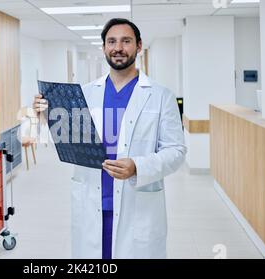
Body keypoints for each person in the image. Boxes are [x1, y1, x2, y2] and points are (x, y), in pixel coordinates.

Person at [33, 18, 186, 259]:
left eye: (126, 41)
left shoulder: (160, 96)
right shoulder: (85, 93)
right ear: (104, 47)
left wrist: (138, 166)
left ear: (138, 46)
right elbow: (71, 140)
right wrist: (47, 117)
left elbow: (176, 151)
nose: (118, 48)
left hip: (136, 202)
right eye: (111, 41)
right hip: (92, 199)